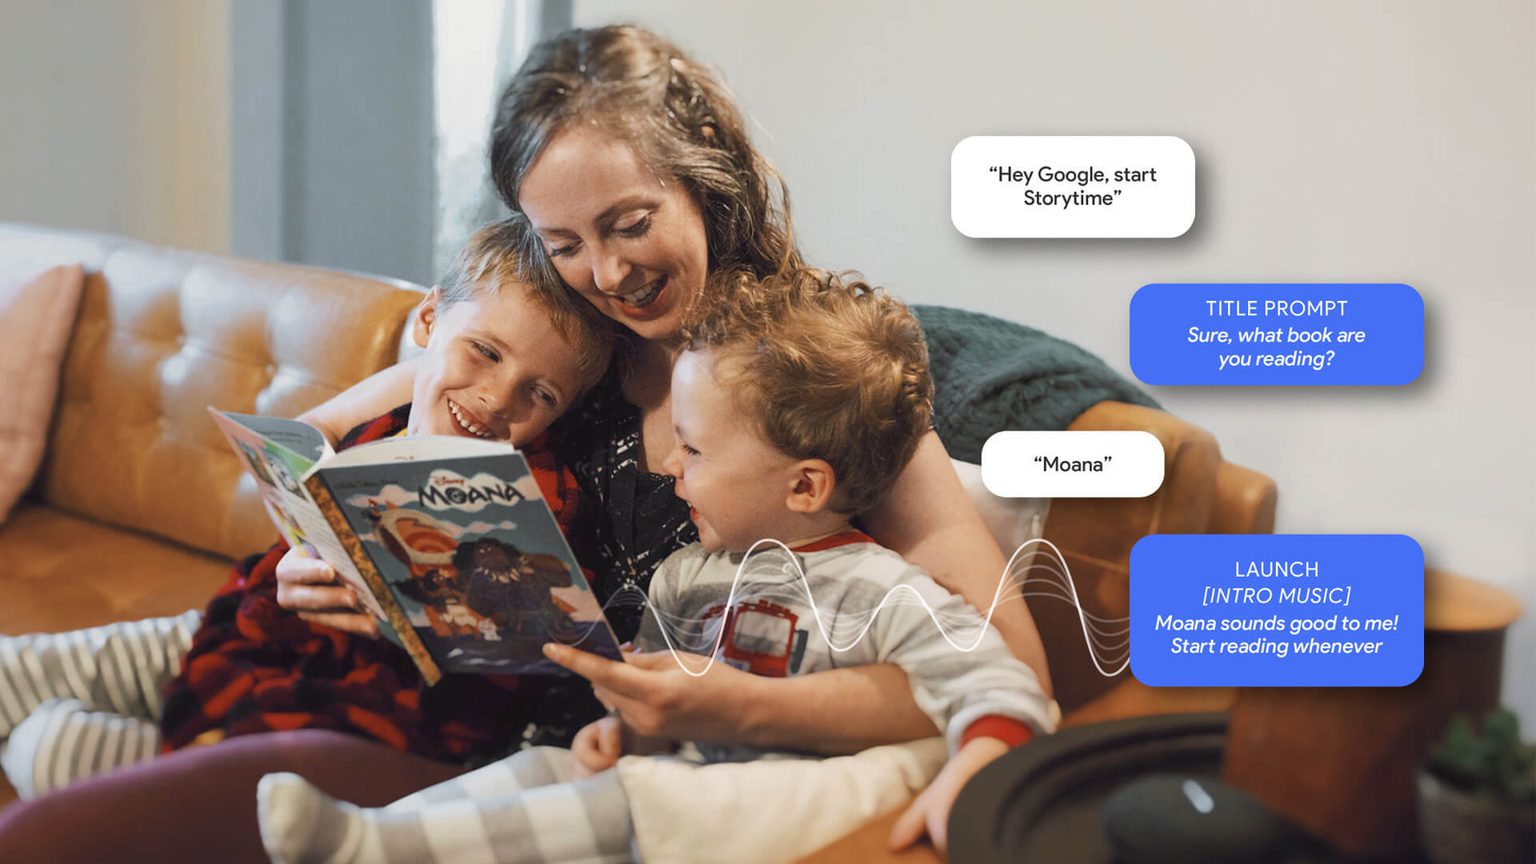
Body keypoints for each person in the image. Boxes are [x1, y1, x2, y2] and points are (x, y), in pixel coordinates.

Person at [254, 268, 1055, 864]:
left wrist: (982, 764)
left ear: (806, 485)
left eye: (695, 452)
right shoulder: (684, 578)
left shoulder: (882, 591)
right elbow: (656, 693)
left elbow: (997, 677)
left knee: (652, 799)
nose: (670, 468)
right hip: (680, 777)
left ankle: (371, 848)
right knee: (556, 765)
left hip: (761, 803)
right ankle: (381, 835)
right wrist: (623, 726)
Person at [0, 219, 615, 801]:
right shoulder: (397, 409)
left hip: (355, 702)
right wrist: (303, 547)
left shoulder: (532, 493)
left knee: (47, 745)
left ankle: (186, 779)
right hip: (251, 622)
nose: (496, 398)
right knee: (16, 671)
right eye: (485, 352)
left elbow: (515, 660)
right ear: (428, 321)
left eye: (541, 393)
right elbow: (316, 439)